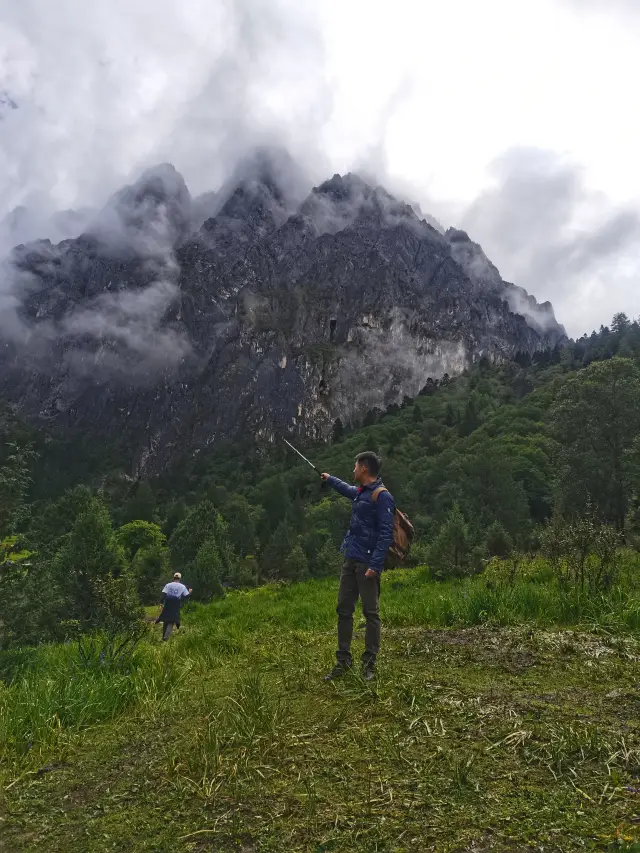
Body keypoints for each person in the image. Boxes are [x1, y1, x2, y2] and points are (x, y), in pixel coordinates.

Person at [321, 451, 395, 681]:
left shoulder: (382, 497)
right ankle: (343, 661)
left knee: (371, 613)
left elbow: (386, 534)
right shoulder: (361, 492)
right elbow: (346, 489)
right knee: (344, 609)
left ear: (364, 468)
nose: (352, 470)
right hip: (351, 558)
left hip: (367, 563)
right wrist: (329, 478)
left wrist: (375, 565)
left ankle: (369, 665)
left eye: (355, 466)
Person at [156, 572, 192, 641]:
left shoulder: (168, 585)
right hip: (176, 603)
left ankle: (163, 636)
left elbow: (164, 595)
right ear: (180, 578)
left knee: (166, 619)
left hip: (168, 602)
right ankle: (165, 638)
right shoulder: (182, 586)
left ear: (173, 577)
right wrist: (190, 592)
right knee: (172, 620)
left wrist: (161, 603)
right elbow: (186, 596)